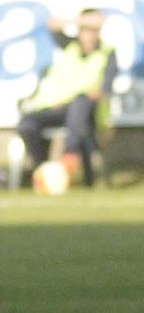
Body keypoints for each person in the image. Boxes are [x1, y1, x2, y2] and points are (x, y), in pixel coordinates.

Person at [16, 10, 117, 188]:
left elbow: (105, 89)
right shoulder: (70, 46)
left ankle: (69, 156)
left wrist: (91, 94)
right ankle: (43, 170)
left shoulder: (107, 53)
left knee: (80, 103)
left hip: (86, 110)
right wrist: (82, 19)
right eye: (86, 29)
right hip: (56, 107)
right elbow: (52, 24)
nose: (89, 34)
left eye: (93, 30)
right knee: (27, 125)